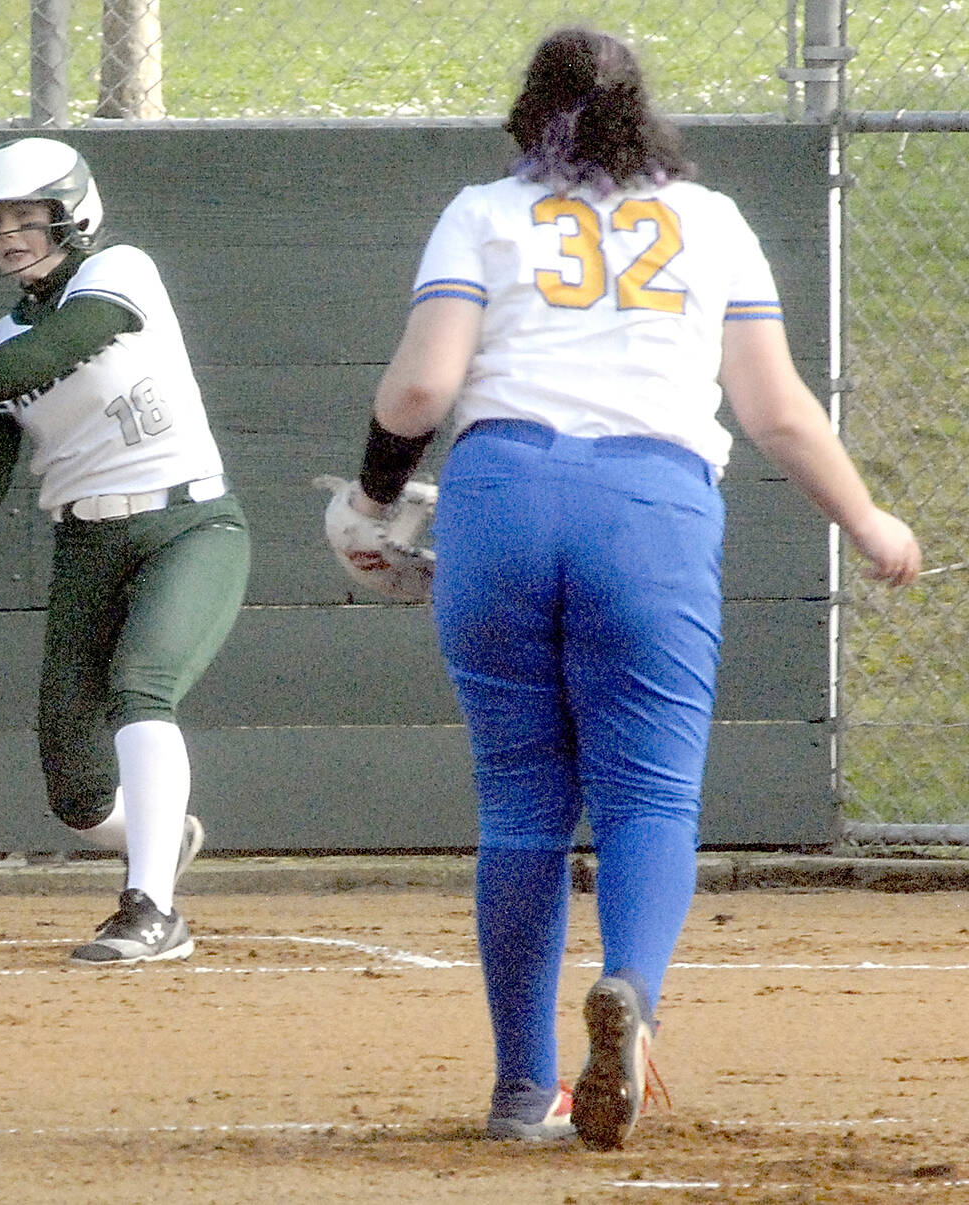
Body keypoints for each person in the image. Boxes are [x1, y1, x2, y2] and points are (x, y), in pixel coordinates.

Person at [344, 27, 923, 1147]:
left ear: (527, 114)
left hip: (501, 495)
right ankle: (632, 998)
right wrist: (866, 519)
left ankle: (523, 1090)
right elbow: (776, 413)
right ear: (646, 115)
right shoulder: (710, 221)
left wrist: (374, 497)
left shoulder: (484, 211)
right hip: (650, 506)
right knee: (649, 798)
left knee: (520, 807)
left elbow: (421, 387)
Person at [0, 137, 250, 965]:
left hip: (187, 524)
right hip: (87, 544)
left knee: (143, 688)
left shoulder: (121, 271)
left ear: (75, 212)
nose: (12, 234)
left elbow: (61, 347)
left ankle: (152, 909)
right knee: (72, 785)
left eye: (30, 215)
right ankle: (159, 838)